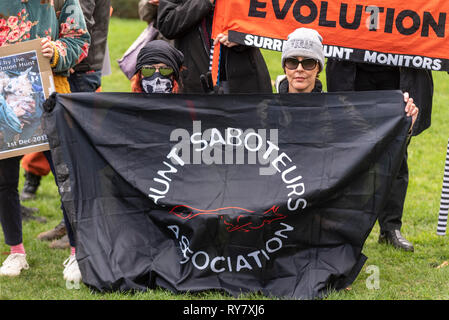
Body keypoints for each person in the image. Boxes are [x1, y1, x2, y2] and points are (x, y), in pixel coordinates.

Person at [0, 0, 90, 279]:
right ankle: (16, 252)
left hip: (51, 96)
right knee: (3, 180)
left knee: (66, 176)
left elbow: (80, 40)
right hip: (4, 101)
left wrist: (57, 51)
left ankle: (77, 253)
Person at [325, 45, 433, 253]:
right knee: (351, 156)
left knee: (397, 155)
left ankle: (390, 228)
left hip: (399, 70)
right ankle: (346, 229)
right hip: (352, 67)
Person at [37, 0, 112, 252]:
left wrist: (41, 41)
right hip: (70, 68)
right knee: (67, 158)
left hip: (80, 70)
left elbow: (82, 20)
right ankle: (69, 223)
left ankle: (84, 231)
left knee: (75, 157)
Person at [156, 0, 272, 94]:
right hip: (196, 83)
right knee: (198, 123)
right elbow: (167, 25)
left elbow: (267, 19)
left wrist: (241, 37)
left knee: (243, 122)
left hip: (244, 79)